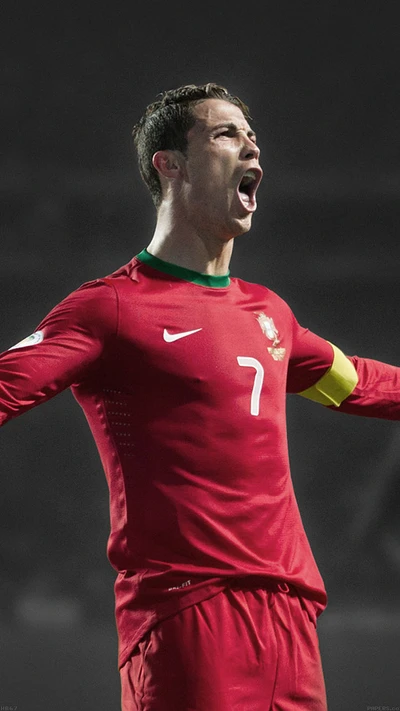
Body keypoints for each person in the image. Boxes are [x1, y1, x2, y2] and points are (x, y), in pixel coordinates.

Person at [0, 82, 399, 711]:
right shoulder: (110, 308)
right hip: (190, 617)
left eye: (253, 136)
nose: (252, 148)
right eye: (226, 134)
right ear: (170, 164)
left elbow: (358, 385)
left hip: (292, 621)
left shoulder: (271, 315)